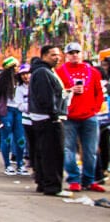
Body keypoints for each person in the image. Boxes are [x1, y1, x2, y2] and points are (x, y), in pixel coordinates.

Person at [55, 42, 106, 193]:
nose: (74, 55)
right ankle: (74, 179)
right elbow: (57, 93)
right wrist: (70, 90)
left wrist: (94, 109)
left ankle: (89, 180)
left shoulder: (93, 72)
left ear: (82, 54)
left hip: (89, 117)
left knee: (91, 151)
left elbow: (99, 94)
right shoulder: (60, 72)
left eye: (77, 52)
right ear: (66, 55)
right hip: (69, 117)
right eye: (71, 53)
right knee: (69, 149)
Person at [29, 45, 71, 197]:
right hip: (48, 119)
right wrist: (54, 114)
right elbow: (45, 97)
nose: (57, 58)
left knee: (44, 152)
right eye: (53, 55)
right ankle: (52, 185)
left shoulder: (45, 71)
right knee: (52, 153)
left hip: (45, 117)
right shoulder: (42, 72)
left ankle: (45, 182)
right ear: (45, 56)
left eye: (58, 55)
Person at [0, 57, 28, 176]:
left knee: (20, 139)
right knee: (6, 138)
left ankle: (20, 164)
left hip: (19, 111)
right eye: (15, 67)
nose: (18, 69)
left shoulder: (21, 80)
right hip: (6, 112)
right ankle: (7, 165)